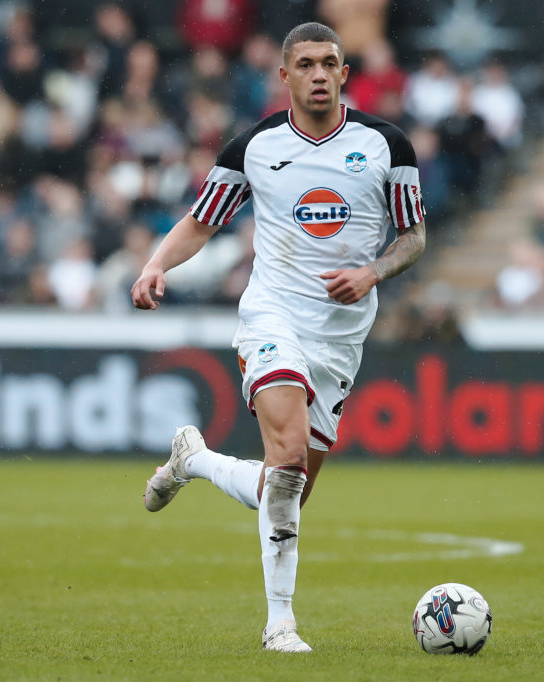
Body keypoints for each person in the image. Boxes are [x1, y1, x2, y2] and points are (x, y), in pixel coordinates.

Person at [130, 22, 426, 653]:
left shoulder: (387, 145)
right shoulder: (255, 147)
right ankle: (280, 624)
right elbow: (201, 221)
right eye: (307, 64)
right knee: (287, 456)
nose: (319, 74)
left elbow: (414, 237)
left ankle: (196, 460)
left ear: (346, 73)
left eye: (330, 63)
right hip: (272, 316)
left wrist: (374, 270)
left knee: (284, 487)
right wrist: (157, 263)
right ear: (285, 76)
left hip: (342, 337)